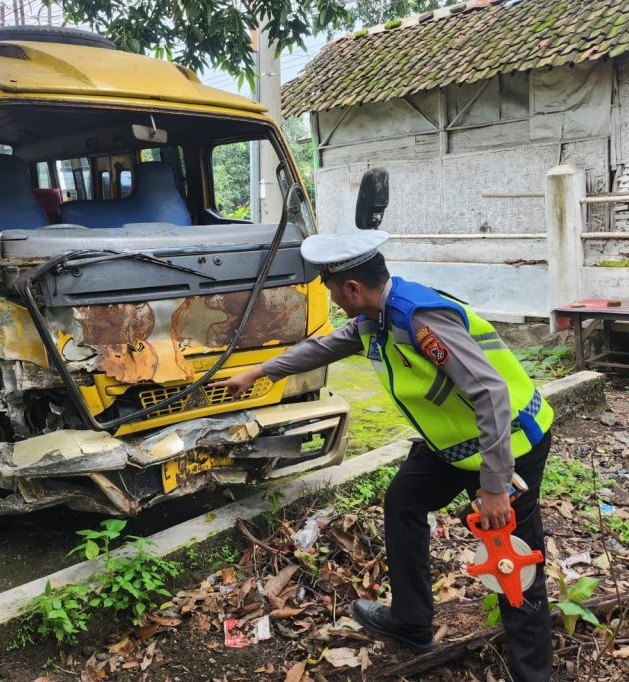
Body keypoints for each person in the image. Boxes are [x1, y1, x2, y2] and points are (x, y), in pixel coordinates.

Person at [210, 231, 554, 682]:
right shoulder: (378, 317)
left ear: (352, 288)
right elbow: (325, 346)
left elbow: (490, 394)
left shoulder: (421, 319)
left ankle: (534, 675)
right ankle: (412, 622)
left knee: (512, 560)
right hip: (453, 447)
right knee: (404, 502)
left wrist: (494, 486)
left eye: (331, 290)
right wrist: (259, 370)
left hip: (507, 446)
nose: (332, 300)